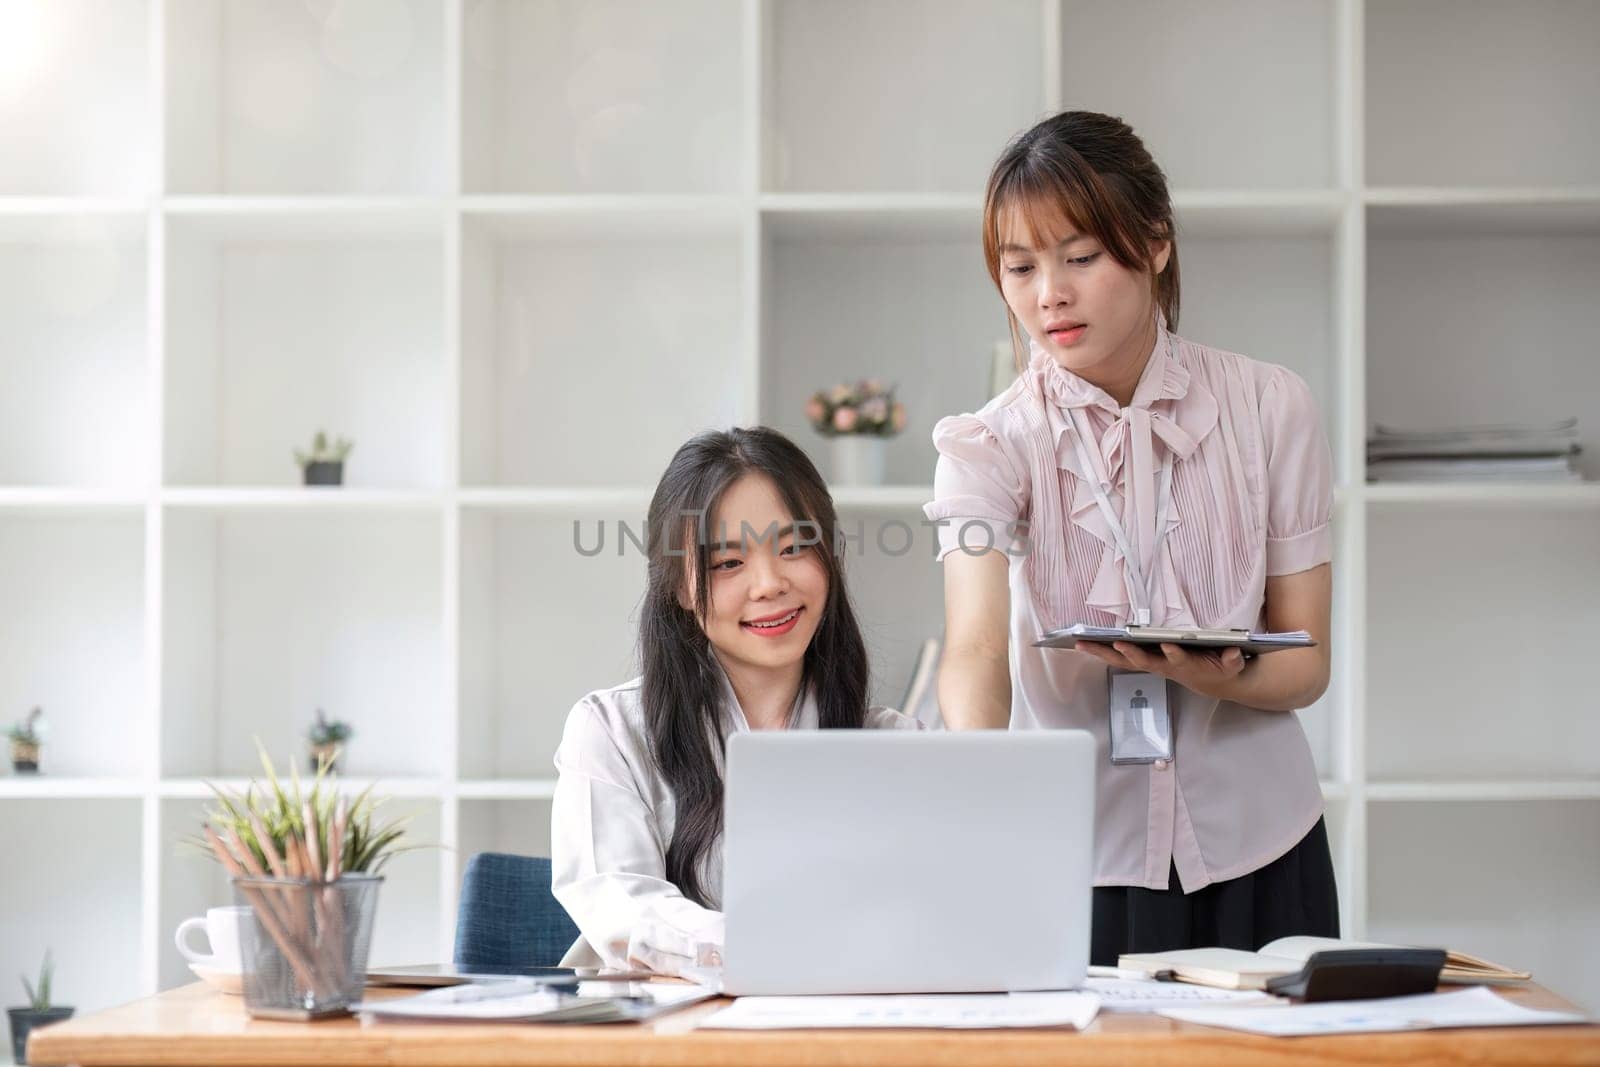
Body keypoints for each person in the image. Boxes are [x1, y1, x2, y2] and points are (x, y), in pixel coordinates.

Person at [925, 111, 1338, 965]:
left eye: (1079, 257)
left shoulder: (1271, 407)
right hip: (1077, 855)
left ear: (1154, 243)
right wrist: (977, 784)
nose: (1050, 295)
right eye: (1021, 267)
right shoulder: (988, 442)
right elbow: (973, 646)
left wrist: (1194, 667)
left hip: (1262, 845)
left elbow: (1308, 663)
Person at [552, 427, 918, 976]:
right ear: (678, 585)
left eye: (794, 548)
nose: (770, 583)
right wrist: (773, 949)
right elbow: (622, 909)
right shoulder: (610, 731)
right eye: (728, 563)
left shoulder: (895, 745)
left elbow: (918, 921)